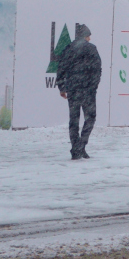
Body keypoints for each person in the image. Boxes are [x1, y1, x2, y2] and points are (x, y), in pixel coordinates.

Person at [56, 23, 102, 160]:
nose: (89, 39)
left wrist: (62, 88)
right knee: (90, 118)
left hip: (73, 89)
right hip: (88, 90)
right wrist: (93, 86)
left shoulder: (68, 48)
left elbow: (61, 68)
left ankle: (77, 148)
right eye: (89, 36)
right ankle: (81, 146)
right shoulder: (92, 49)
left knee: (74, 120)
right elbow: (97, 70)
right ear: (85, 36)